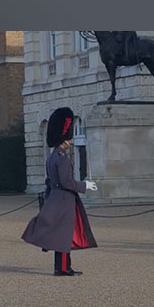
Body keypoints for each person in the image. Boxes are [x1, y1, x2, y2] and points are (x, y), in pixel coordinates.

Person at [22, 107, 99, 276]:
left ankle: (62, 267)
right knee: (64, 236)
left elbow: (50, 181)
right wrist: (86, 185)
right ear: (63, 139)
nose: (70, 142)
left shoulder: (52, 157)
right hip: (64, 200)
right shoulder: (62, 158)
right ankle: (63, 268)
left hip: (56, 198)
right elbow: (67, 182)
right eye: (68, 139)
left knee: (59, 235)